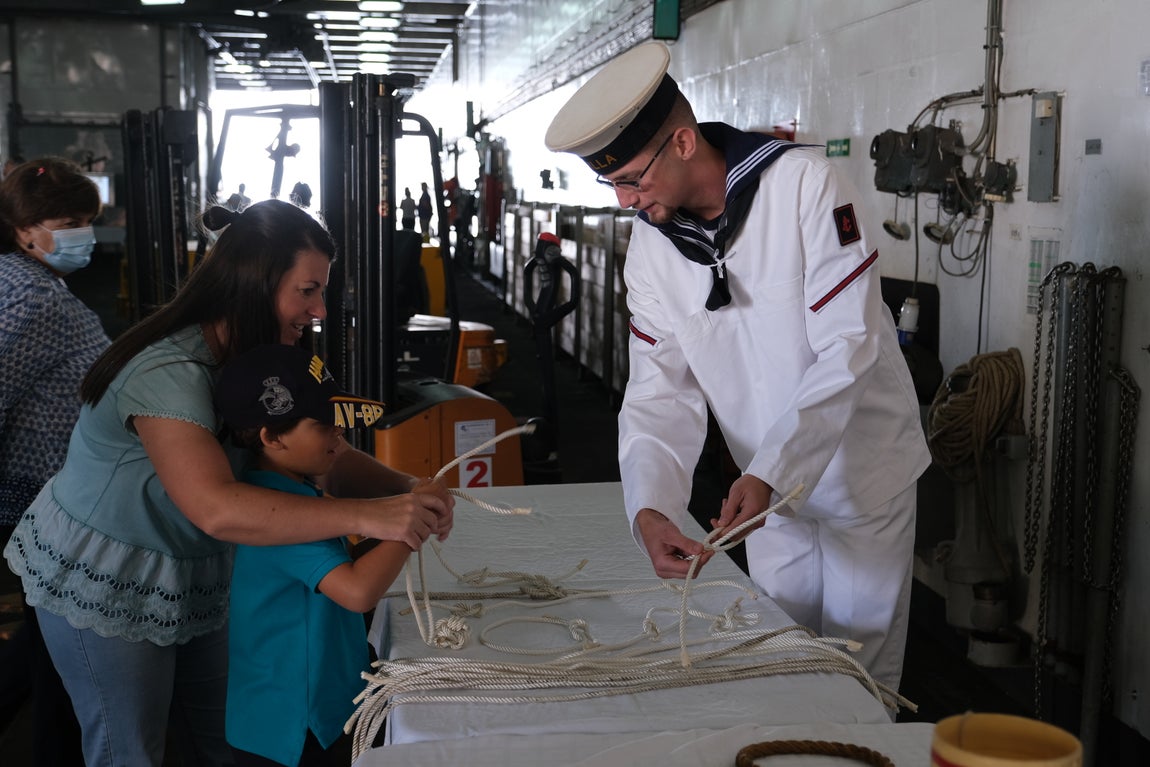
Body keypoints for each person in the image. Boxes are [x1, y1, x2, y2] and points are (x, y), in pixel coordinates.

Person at [3, 199, 454, 766]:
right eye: (307, 290)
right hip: (111, 572)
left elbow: (317, 450)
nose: (319, 310)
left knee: (227, 738)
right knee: (129, 748)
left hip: (198, 568)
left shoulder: (262, 354)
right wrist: (372, 516)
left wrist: (406, 489)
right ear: (255, 283)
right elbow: (215, 507)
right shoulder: (168, 372)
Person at [544, 41, 929, 694]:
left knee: (858, 676)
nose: (625, 200)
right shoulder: (652, 251)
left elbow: (849, 344)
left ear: (683, 142)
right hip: (762, 497)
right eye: (612, 184)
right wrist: (653, 507)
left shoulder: (805, 186)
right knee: (778, 662)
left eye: (633, 179)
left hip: (861, 477)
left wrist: (774, 470)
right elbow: (659, 391)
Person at [215, 344, 409, 767]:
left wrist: (404, 509)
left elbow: (344, 567)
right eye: (324, 425)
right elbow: (357, 591)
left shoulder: (293, 490)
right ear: (272, 437)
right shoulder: (278, 516)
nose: (339, 433)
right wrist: (408, 529)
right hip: (290, 730)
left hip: (309, 711)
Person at [0, 156, 106, 765]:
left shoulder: (26, 281)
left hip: (42, 492)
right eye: (68, 224)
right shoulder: (34, 298)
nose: (83, 235)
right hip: (38, 495)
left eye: (87, 221)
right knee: (63, 654)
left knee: (48, 640)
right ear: (24, 230)